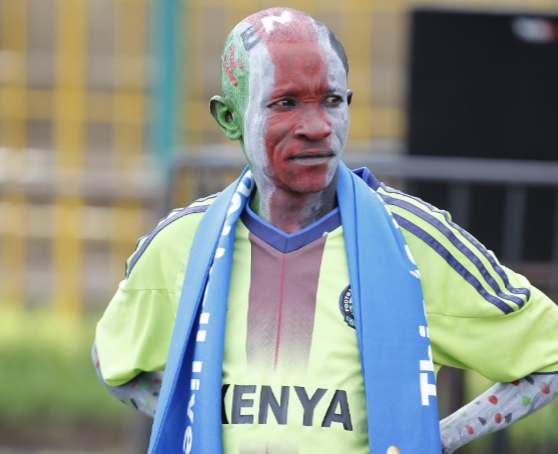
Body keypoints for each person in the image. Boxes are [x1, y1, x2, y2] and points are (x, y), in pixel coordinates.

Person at [93, 7, 558, 454]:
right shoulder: (185, 242)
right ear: (230, 118)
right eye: (286, 103)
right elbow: (112, 361)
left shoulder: (413, 239)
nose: (316, 127)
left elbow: (549, 358)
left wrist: (435, 438)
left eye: (331, 101)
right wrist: (197, 422)